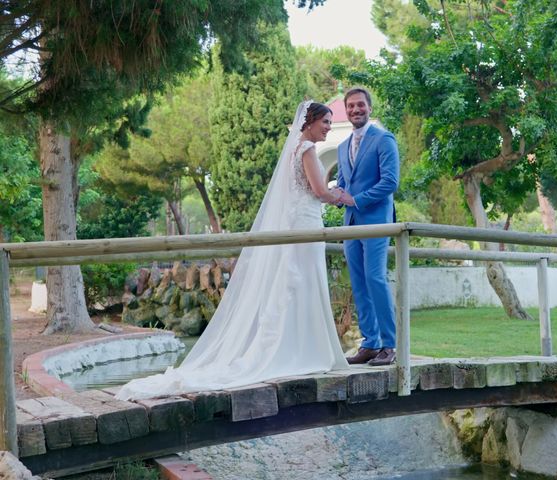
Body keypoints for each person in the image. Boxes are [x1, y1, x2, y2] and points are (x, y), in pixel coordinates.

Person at [116, 101, 350, 401]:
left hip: (302, 222)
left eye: (331, 123)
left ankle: (300, 347)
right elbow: (319, 192)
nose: (329, 128)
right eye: (326, 122)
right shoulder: (305, 150)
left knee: (298, 284)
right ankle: (300, 350)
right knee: (301, 282)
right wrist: (342, 197)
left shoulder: (295, 149)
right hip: (304, 225)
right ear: (311, 121)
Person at [336, 87, 400, 366]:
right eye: (350, 106)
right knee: (359, 283)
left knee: (375, 278)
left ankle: (389, 345)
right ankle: (370, 343)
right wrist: (336, 195)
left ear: (369, 108)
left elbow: (390, 182)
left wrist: (356, 199)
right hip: (349, 223)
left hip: (376, 222)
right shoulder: (341, 147)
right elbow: (342, 182)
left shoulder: (384, 140)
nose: (355, 110)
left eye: (360, 105)